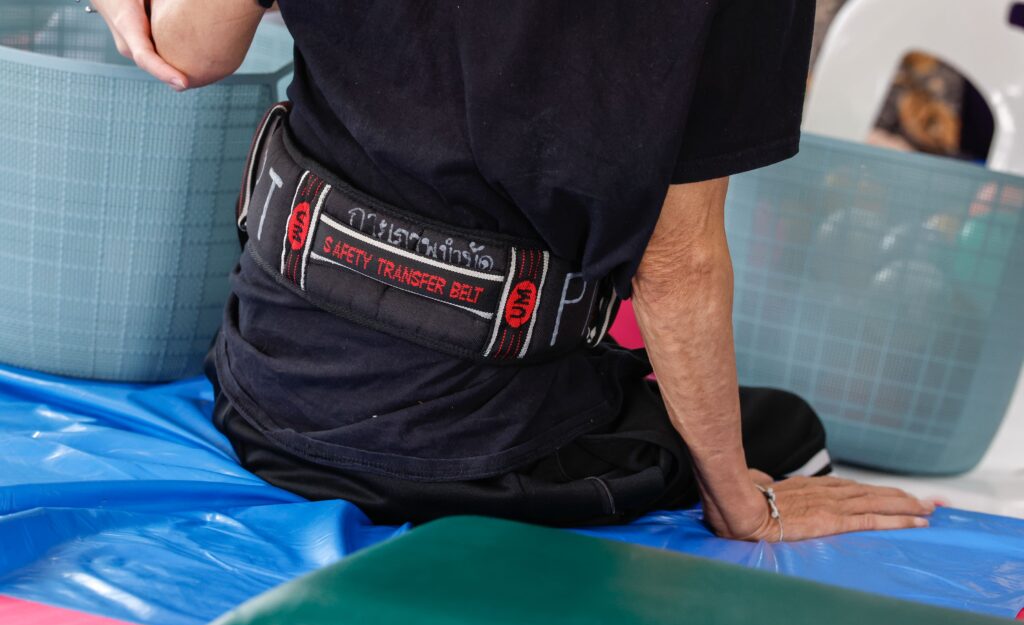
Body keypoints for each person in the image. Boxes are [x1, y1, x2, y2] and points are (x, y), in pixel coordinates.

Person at [92, 0, 934, 541]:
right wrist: (742, 502)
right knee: (788, 435)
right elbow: (675, 263)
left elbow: (190, 48)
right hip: (482, 456)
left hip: (270, 390)